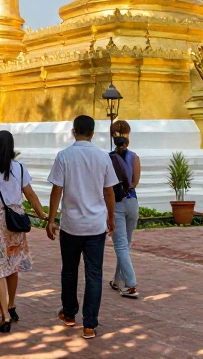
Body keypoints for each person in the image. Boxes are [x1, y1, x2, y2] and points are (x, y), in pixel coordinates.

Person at [46, 115, 116, 340]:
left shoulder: (64, 156)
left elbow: (57, 190)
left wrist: (50, 219)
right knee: (94, 274)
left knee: (69, 270)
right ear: (93, 133)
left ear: (74, 131)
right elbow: (109, 192)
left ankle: (69, 313)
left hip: (71, 225)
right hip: (95, 225)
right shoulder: (103, 157)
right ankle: (89, 324)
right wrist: (111, 218)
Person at [0, 130, 46, 333]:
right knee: (13, 265)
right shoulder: (20, 168)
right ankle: (11, 304)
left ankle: (4, 314)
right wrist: (43, 215)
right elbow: (30, 194)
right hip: (15, 222)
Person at [108, 120, 141, 299]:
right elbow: (135, 182)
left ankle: (130, 284)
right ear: (128, 135)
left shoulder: (108, 158)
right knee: (125, 245)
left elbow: (106, 186)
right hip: (132, 201)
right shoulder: (134, 157)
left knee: (120, 245)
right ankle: (117, 280)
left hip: (117, 202)